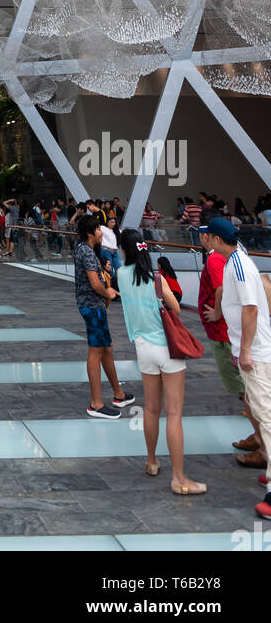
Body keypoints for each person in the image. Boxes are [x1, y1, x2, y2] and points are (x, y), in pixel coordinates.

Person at [115, 229, 206, 493]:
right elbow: (175, 308)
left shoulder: (121, 276)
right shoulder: (156, 278)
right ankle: (179, 478)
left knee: (151, 409)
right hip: (168, 349)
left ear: (125, 250)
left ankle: (152, 461)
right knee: (174, 413)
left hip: (143, 349)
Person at [207, 218, 271, 518]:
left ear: (218, 240)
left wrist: (245, 349)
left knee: (267, 417)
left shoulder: (239, 265)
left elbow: (251, 308)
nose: (205, 241)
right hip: (257, 349)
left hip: (257, 353)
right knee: (261, 411)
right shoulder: (240, 261)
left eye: (208, 237)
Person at [197, 225, 259, 462]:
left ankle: (262, 444)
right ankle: (258, 436)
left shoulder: (218, 261)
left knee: (246, 390)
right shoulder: (234, 260)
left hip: (226, 336)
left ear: (211, 238)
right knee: (247, 390)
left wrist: (217, 314)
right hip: (230, 334)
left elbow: (225, 290)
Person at [73, 214, 134, 419]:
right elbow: (95, 284)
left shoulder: (83, 249)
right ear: (90, 233)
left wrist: (102, 269)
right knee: (96, 351)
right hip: (93, 306)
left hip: (92, 305)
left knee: (106, 348)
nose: (101, 232)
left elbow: (92, 274)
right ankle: (96, 404)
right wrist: (108, 292)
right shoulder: (88, 253)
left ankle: (119, 394)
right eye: (98, 229)